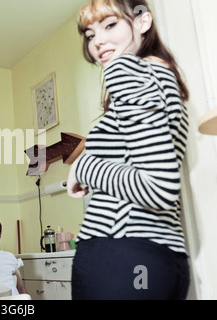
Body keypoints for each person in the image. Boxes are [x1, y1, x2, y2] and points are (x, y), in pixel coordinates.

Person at [66, 0, 190, 300]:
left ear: (142, 22)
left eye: (110, 25)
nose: (98, 42)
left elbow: (159, 187)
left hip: (123, 255)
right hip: (151, 256)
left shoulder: (126, 71)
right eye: (90, 34)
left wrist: (83, 167)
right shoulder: (162, 76)